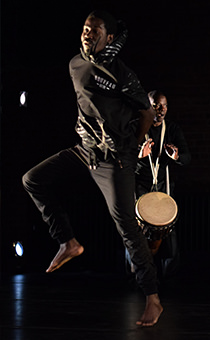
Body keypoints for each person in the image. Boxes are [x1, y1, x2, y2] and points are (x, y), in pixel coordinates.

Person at [22, 10, 163, 326]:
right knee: (33, 180)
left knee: (126, 224)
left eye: (95, 30)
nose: (88, 33)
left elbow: (148, 112)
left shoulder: (121, 74)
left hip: (115, 159)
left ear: (109, 38)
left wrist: (131, 147)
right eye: (86, 28)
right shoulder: (75, 63)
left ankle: (153, 298)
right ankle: (68, 242)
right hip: (85, 150)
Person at [132, 90, 191, 277]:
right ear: (148, 106)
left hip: (163, 185)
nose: (161, 109)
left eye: (164, 105)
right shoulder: (136, 127)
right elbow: (121, 159)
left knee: (168, 230)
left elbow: (187, 158)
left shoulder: (172, 129)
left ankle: (169, 277)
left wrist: (177, 156)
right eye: (156, 105)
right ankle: (135, 275)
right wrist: (139, 155)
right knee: (135, 231)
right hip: (140, 184)